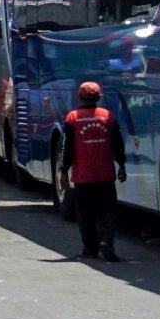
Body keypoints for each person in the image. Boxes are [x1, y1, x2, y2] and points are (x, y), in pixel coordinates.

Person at [60, 80, 128, 261]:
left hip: (83, 177)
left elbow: (67, 148)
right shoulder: (108, 116)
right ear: (99, 97)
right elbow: (118, 144)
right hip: (106, 175)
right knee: (107, 211)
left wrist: (63, 171)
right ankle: (106, 241)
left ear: (79, 97)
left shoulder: (72, 118)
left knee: (85, 214)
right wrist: (121, 165)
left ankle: (90, 249)